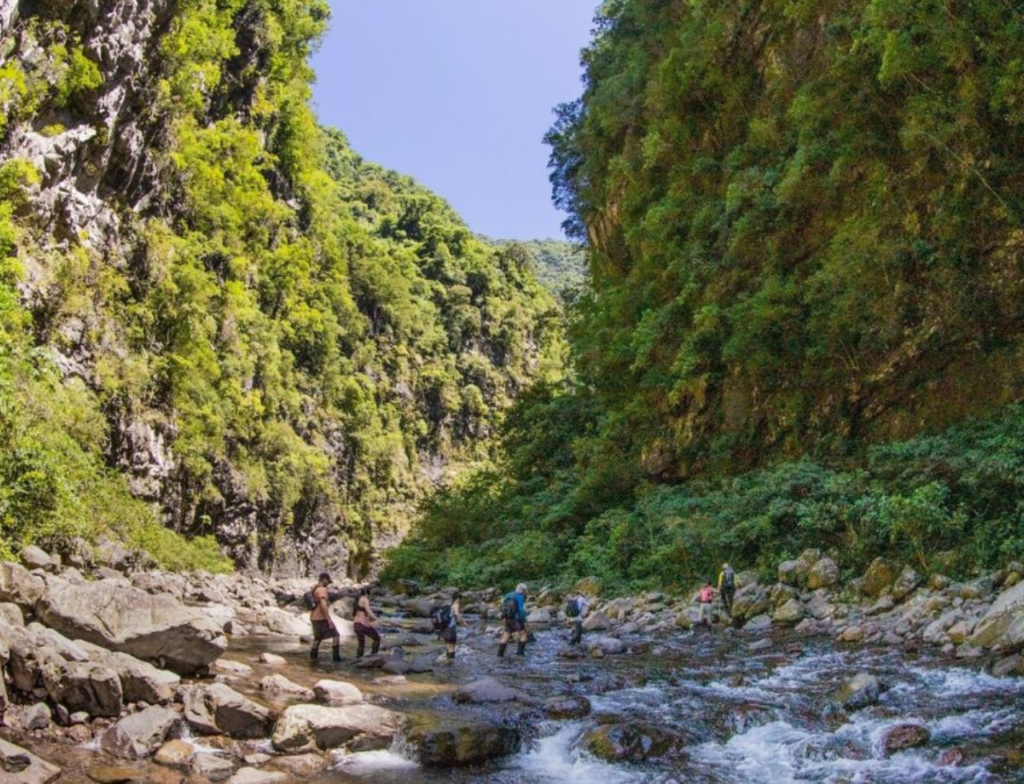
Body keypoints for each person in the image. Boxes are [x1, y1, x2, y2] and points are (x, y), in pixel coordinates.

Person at [309, 571, 341, 662]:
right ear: (323, 579)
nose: (328, 584)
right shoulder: (322, 590)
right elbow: (323, 605)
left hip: (313, 617)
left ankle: (313, 659)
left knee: (317, 638)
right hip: (321, 618)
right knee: (336, 635)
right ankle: (336, 659)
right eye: (328, 581)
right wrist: (329, 619)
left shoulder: (314, 588)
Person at [498, 582, 528, 657]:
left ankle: (500, 654)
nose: (525, 593)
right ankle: (520, 653)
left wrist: (504, 616)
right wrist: (523, 620)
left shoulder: (508, 594)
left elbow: (502, 605)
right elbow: (521, 610)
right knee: (523, 634)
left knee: (506, 634)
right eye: (525, 591)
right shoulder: (520, 596)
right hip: (516, 619)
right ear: (523, 590)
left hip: (508, 617)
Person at [353, 586, 381, 658]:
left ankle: (358, 659)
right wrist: (376, 619)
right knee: (377, 638)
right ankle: (373, 656)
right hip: (363, 624)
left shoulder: (357, 599)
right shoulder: (365, 599)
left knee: (361, 644)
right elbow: (368, 611)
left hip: (356, 624)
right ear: (367, 594)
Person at [443, 591, 466, 660]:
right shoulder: (456, 604)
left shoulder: (450, 605)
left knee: (448, 647)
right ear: (458, 598)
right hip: (451, 628)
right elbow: (457, 613)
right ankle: (451, 664)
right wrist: (463, 623)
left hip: (445, 628)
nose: (461, 601)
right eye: (460, 599)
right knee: (452, 647)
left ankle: (447, 662)